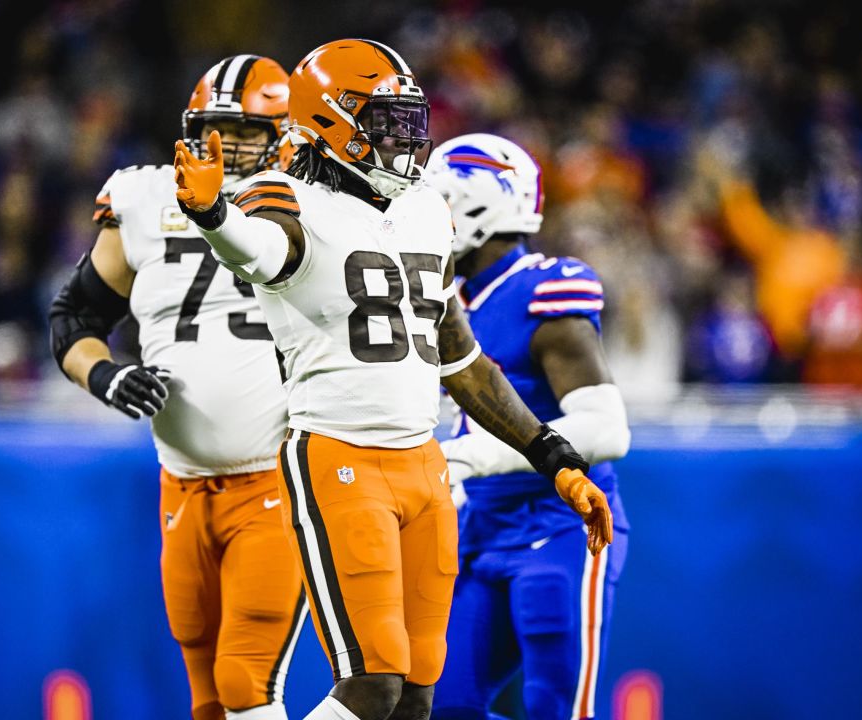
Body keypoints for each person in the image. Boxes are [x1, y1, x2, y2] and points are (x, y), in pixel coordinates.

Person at [172, 40, 614, 720]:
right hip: (339, 453)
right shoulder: (284, 195)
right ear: (330, 119)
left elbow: (463, 363)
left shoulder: (422, 210)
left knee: (414, 695)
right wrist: (214, 218)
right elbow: (261, 251)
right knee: (370, 683)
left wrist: (553, 457)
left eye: (409, 121)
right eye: (384, 121)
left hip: (422, 466)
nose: (404, 139)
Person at [49, 55, 307, 720]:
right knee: (208, 696)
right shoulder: (143, 197)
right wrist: (104, 373)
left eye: (246, 131)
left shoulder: (318, 202)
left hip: (279, 476)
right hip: (181, 482)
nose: (226, 146)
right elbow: (75, 318)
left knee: (249, 681)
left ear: (287, 132)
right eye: (214, 128)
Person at [421, 134, 632, 720]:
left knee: (555, 707)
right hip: (481, 525)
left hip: (564, 525)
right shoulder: (449, 297)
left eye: (440, 202)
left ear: (481, 206)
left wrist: (469, 457)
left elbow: (606, 429)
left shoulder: (544, 290)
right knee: (443, 705)